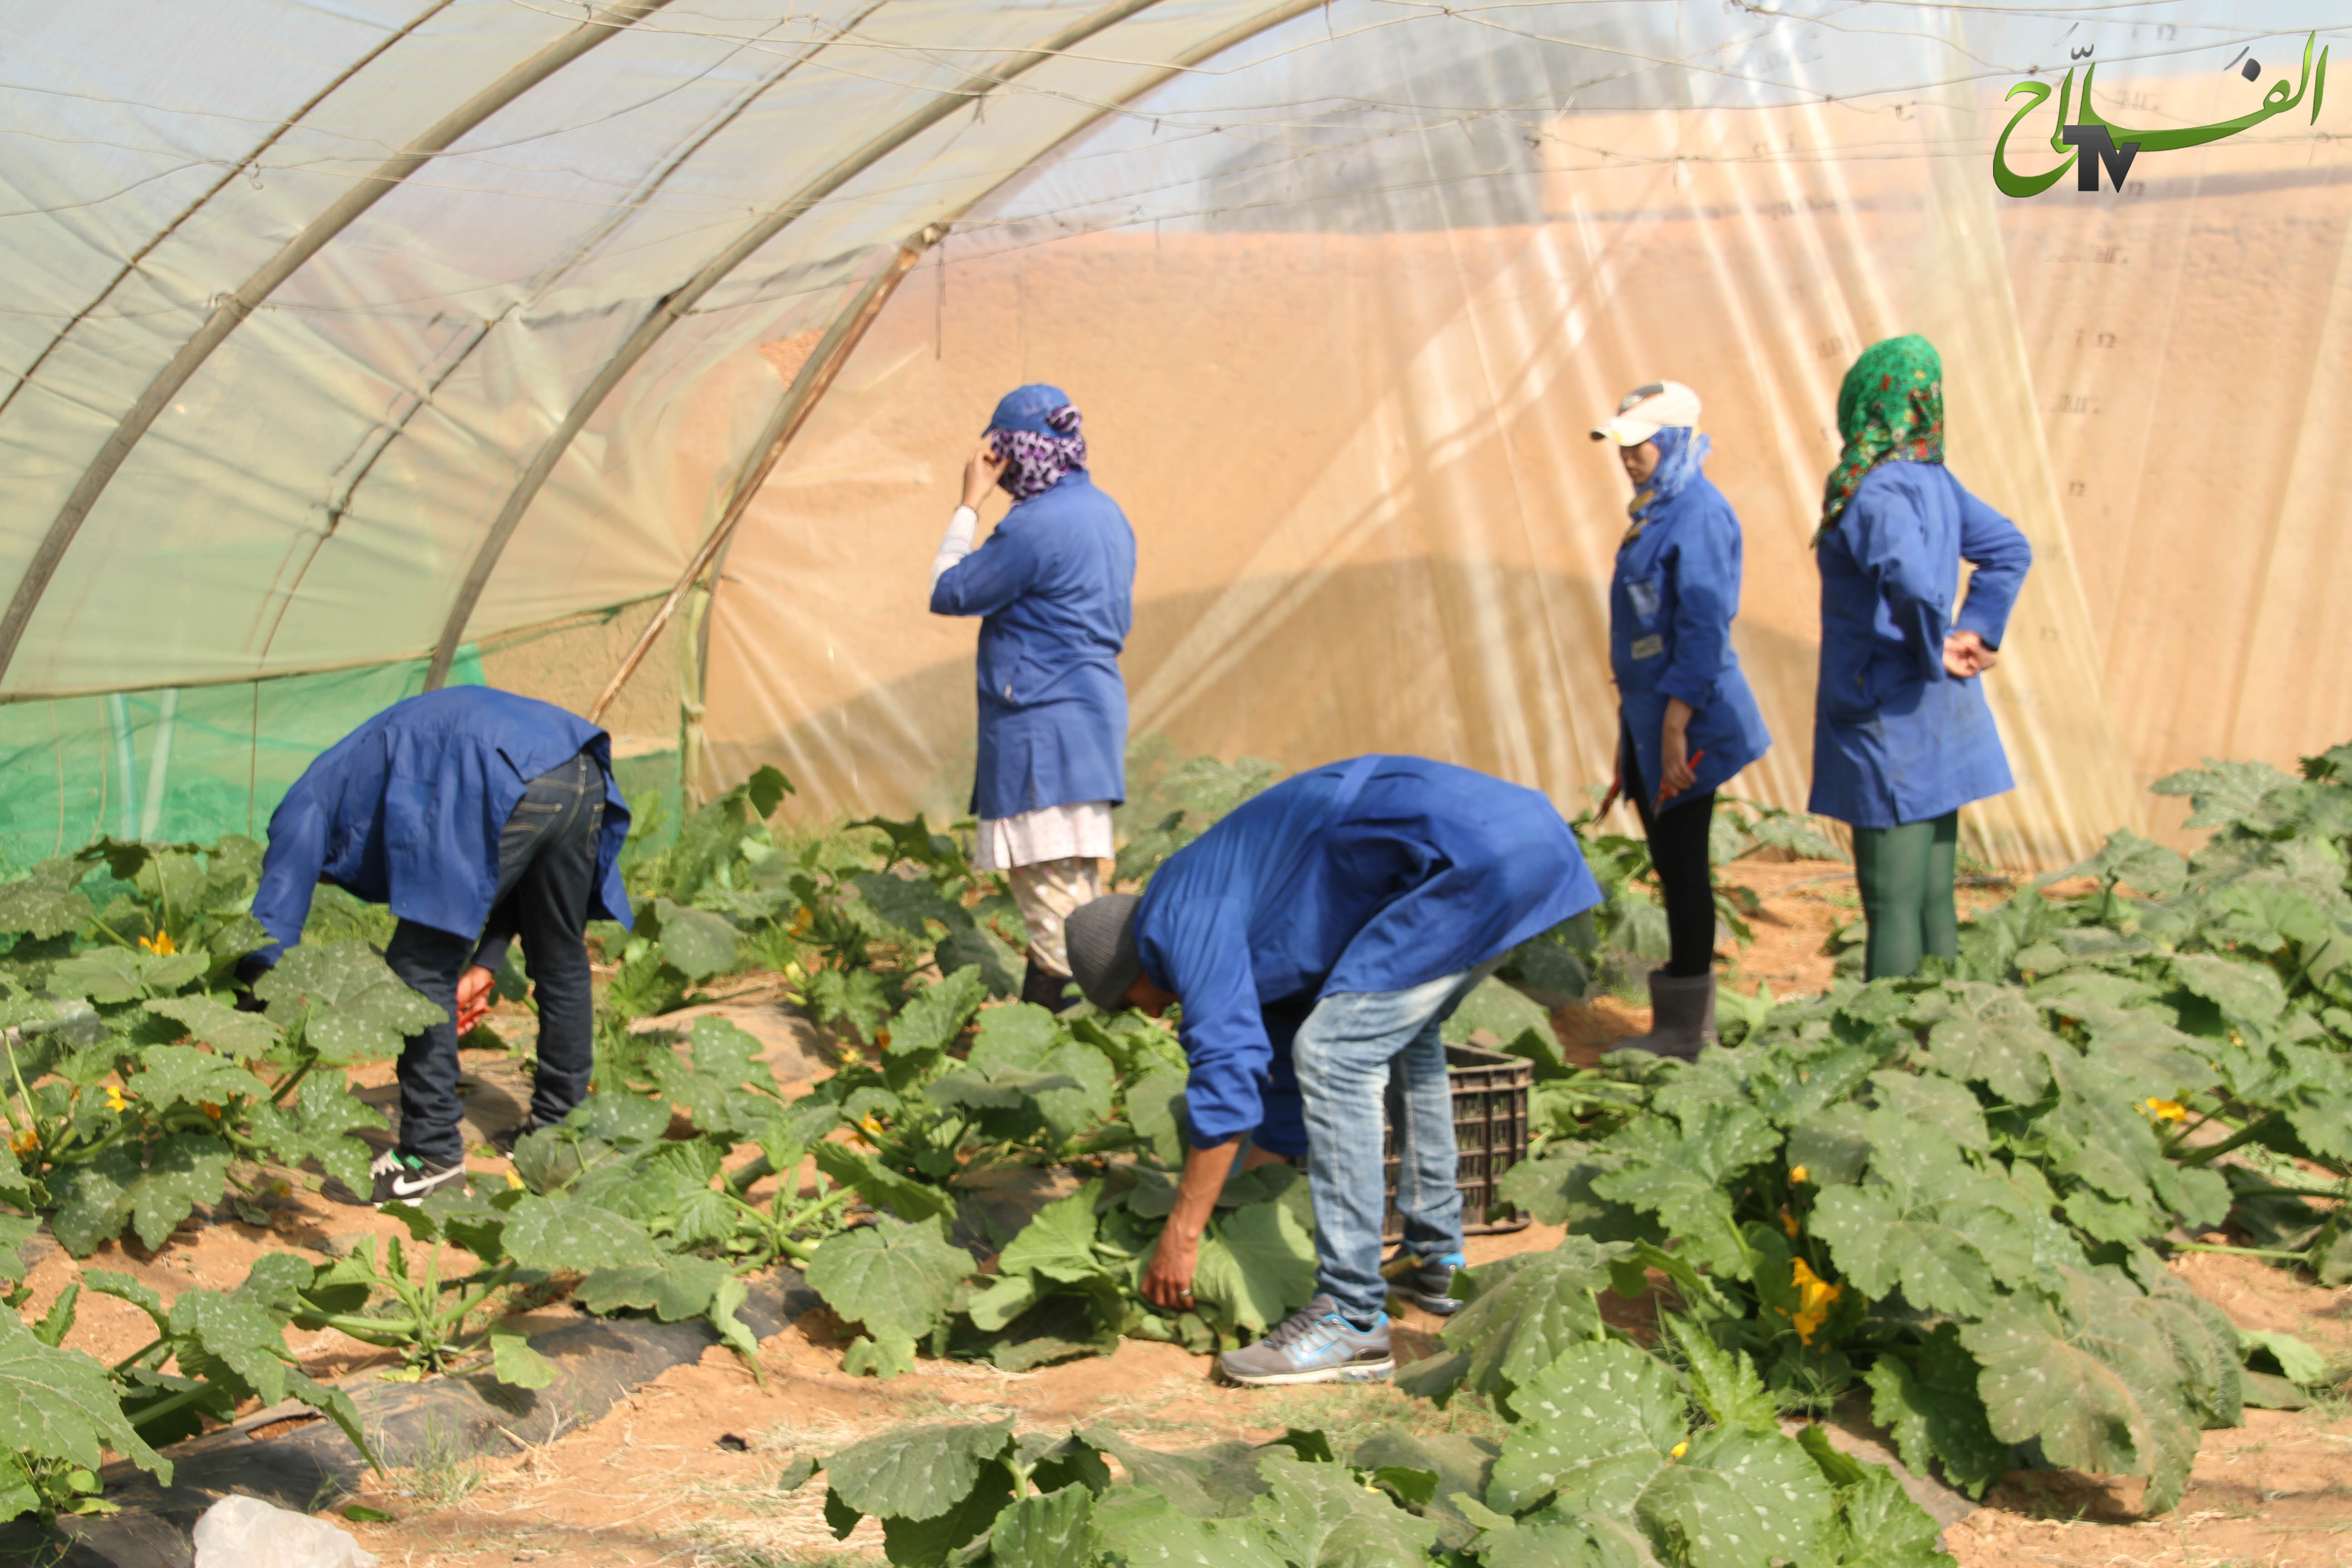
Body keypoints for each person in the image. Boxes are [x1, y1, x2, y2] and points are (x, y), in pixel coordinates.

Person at [1062, 756, 1601, 1387]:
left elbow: (1228, 1069)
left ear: (1131, 974)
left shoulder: (1179, 914)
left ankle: (1351, 1317)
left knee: (1336, 1053)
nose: (1156, 1016)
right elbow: (1279, 1086)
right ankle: (1436, 1255)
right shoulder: (1244, 916)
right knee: (1401, 1034)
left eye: (1137, 1006)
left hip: (1472, 855)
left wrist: (1183, 1233)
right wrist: (1246, 1204)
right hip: (1519, 836)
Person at [237, 687, 632, 1205]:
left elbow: (275, 919)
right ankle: (562, 1137)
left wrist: (239, 1017)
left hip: (492, 768)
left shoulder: (304, 806)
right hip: (576, 763)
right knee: (561, 958)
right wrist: (487, 962)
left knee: (418, 967)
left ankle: (431, 1156)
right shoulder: (360, 772)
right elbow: (521, 869)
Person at [1809, 334, 2031, 979]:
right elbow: (2010, 548)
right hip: (1940, 712)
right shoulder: (1935, 479)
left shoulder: (1874, 490)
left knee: (1890, 902)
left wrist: (1933, 638)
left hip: (1887, 715)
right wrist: (1976, 632)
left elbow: (1906, 575)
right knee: (1935, 892)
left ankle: (1888, 1053)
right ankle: (1937, 1040)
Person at [930, 384, 1136, 1013]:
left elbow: (948, 591)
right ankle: (1061, 1057)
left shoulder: (1034, 527)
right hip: (1090, 733)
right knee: (1074, 906)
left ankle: (1063, 1069)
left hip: (1038, 743)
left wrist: (970, 501)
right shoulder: (1108, 514)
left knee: (1063, 930)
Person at [1589, 381, 1771, 1057]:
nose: (1626, 457)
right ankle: (1680, 1028)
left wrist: (1672, 729)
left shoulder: (1696, 511)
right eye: (1622, 445)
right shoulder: (1659, 510)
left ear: (1671, 442)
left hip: (1686, 719)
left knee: (1685, 865)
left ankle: (1684, 1035)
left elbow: (1703, 628)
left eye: (1638, 444)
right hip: (1650, 717)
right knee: (1672, 864)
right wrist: (1628, 737)